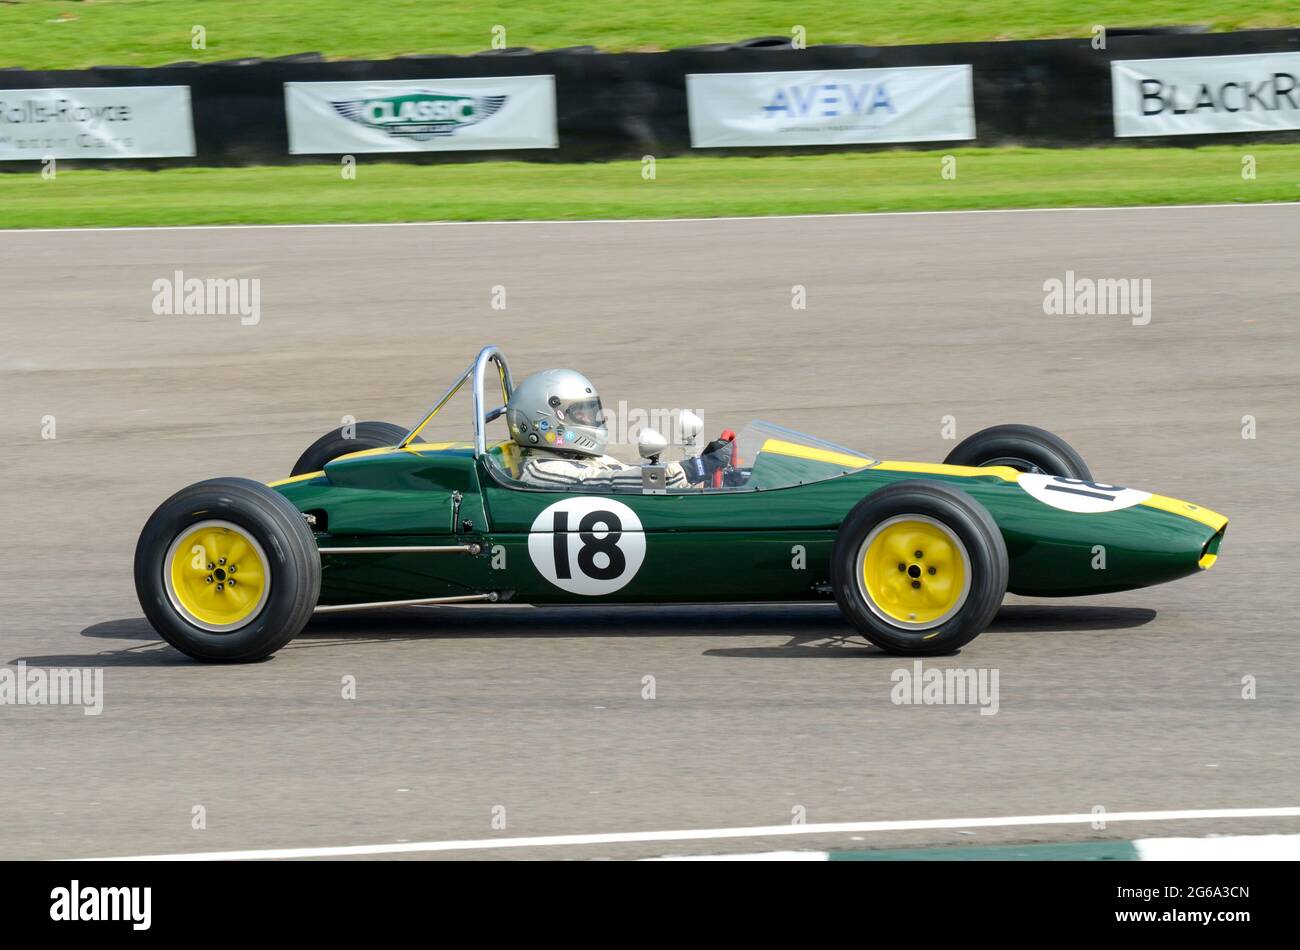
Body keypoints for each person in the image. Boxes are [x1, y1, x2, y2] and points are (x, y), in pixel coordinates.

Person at [504, 368, 730, 490]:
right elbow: (609, 481)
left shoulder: (584, 458)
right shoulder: (540, 470)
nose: (591, 419)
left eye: (592, 411)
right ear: (544, 422)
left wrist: (700, 465)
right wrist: (696, 467)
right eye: (580, 413)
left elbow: (625, 473)